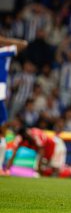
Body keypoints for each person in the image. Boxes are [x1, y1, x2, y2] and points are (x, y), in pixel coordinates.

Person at [0, 35, 28, 175]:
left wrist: (2, 41)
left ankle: (0, 167)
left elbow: (24, 44)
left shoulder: (4, 51)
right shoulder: (4, 52)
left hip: (1, 95)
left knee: (2, 132)